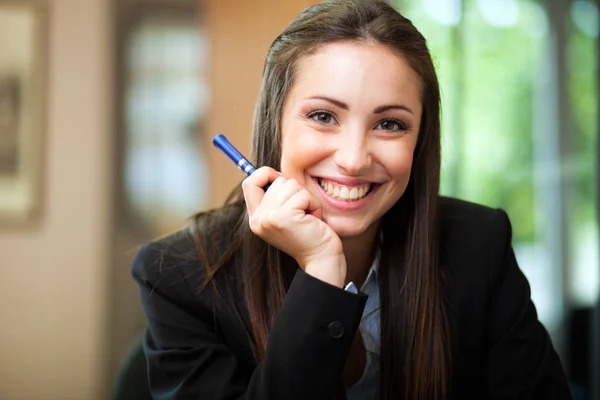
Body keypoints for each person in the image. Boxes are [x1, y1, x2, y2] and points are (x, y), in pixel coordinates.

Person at [131, 0, 571, 399]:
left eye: (390, 124)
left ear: (420, 140)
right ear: (275, 123)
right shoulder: (180, 276)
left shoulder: (479, 245)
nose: (354, 159)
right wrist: (322, 273)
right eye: (323, 116)